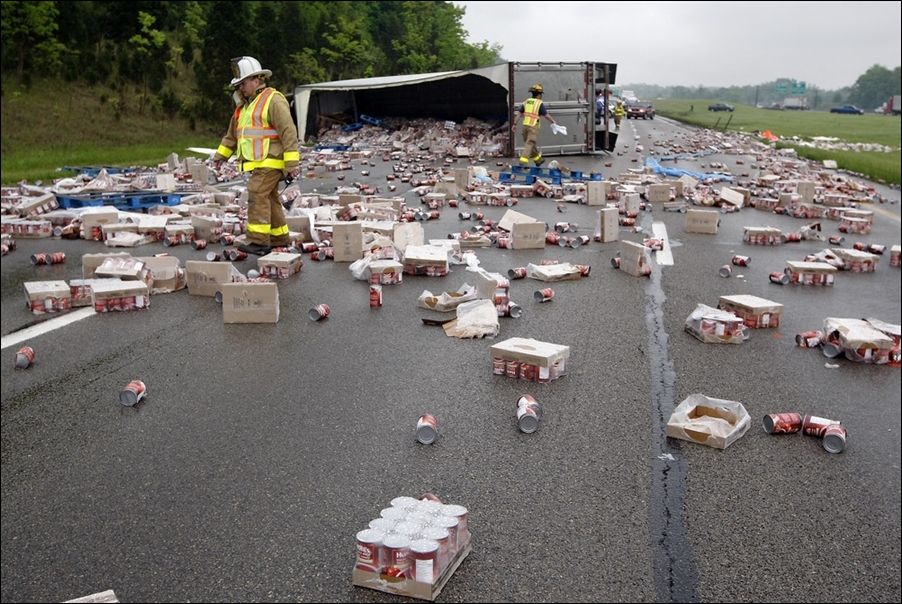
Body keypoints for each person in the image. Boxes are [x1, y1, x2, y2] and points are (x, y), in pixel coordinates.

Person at [212, 56, 299, 255]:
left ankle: (258, 241)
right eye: (238, 86)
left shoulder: (273, 99)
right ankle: (279, 238)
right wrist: (220, 157)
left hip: (271, 161)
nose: (240, 89)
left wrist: (291, 163)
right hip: (259, 163)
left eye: (242, 84)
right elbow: (232, 136)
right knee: (269, 198)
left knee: (257, 193)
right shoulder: (243, 108)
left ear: (256, 79)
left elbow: (288, 131)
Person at [512, 83, 557, 167]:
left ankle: (538, 160)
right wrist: (553, 122)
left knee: (530, 144)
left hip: (525, 127)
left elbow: (519, 114)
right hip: (533, 127)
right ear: (539, 94)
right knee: (530, 143)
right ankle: (523, 161)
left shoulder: (526, 102)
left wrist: (514, 124)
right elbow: (546, 115)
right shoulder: (539, 103)